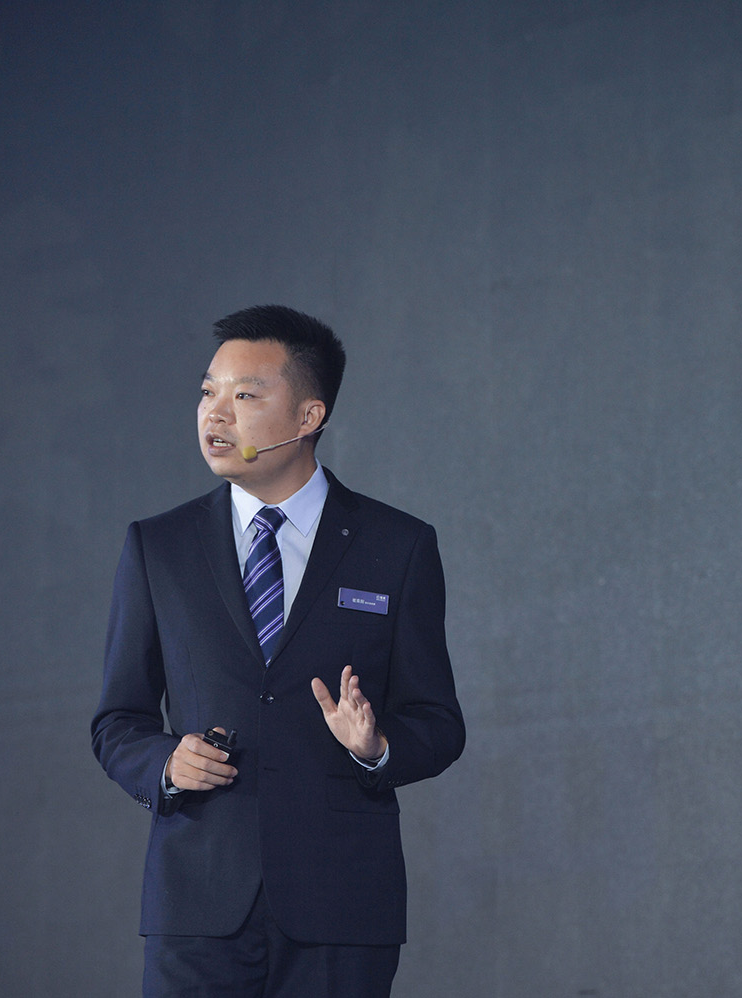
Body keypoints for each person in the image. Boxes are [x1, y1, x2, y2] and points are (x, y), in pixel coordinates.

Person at [92, 305, 465, 997]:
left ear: (308, 416)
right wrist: (165, 763)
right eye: (208, 392)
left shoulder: (397, 546)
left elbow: (439, 723)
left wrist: (375, 747)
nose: (215, 413)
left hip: (341, 906)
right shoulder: (159, 547)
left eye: (245, 395)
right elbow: (118, 720)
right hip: (197, 907)